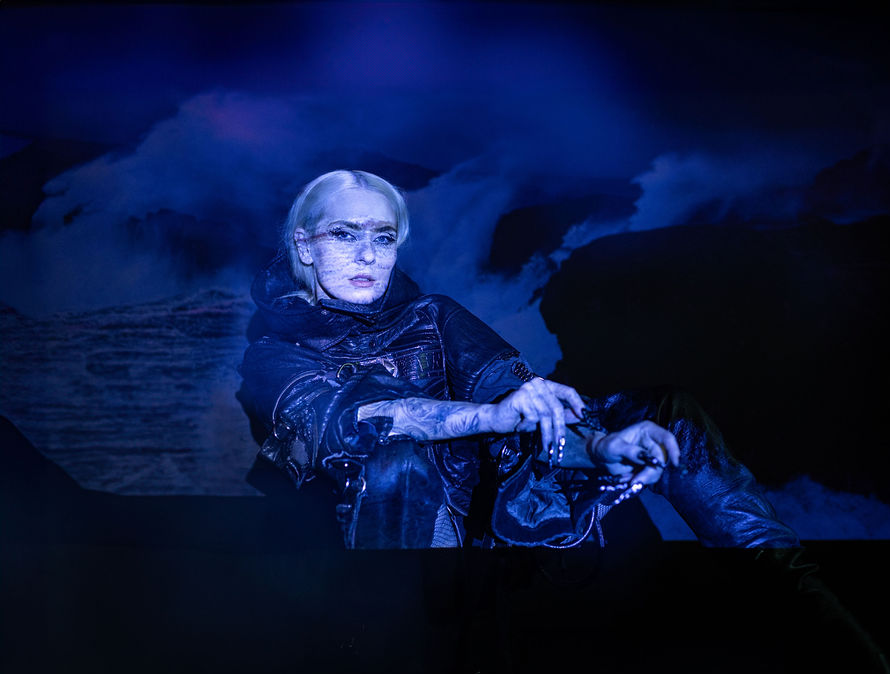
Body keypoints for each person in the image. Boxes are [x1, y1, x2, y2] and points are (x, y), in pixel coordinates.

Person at [236, 169, 800, 551]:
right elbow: (358, 419)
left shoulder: (433, 314)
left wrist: (599, 447)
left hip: (488, 516)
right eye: (344, 234)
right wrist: (490, 417)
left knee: (667, 411)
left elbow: (521, 404)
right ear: (304, 245)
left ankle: (805, 615)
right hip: (350, 562)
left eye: (383, 238)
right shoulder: (270, 356)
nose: (367, 254)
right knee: (396, 466)